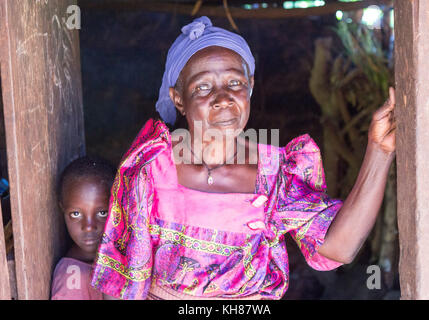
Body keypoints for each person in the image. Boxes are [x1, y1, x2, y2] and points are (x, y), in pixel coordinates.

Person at [91, 16, 396, 300]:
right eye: (203, 86)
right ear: (178, 99)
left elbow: (337, 247)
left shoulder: (276, 173)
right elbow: (122, 280)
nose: (223, 98)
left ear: (250, 87)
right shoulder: (150, 167)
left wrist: (379, 152)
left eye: (235, 83)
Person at [51, 156, 116, 300]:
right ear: (63, 209)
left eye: (102, 213)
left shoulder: (133, 258)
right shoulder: (72, 276)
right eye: (76, 214)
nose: (88, 227)